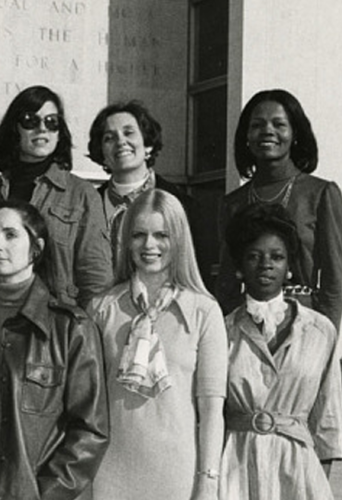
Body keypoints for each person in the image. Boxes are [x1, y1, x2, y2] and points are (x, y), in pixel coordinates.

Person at [88, 189, 226, 500]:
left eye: (161, 234)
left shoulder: (204, 312)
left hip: (180, 477)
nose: (149, 245)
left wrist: (208, 482)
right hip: (109, 475)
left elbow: (212, 410)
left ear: (178, 239)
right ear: (126, 241)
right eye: (139, 235)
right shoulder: (101, 309)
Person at [0, 199, 109, 499]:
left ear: (37, 246)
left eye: (10, 234)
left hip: (32, 491)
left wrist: (46, 493)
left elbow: (90, 430)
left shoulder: (70, 327)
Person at [220, 202, 342, 499]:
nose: (266, 264)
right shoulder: (220, 331)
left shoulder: (320, 330)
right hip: (235, 469)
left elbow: (327, 419)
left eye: (277, 257)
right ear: (239, 267)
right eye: (254, 256)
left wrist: (314, 481)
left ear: (290, 267)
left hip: (299, 473)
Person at [216, 89, 342, 329]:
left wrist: (326, 335)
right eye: (257, 125)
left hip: (304, 322)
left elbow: (333, 281)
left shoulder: (321, 194)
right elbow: (227, 281)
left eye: (279, 124)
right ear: (246, 136)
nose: (267, 131)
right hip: (247, 322)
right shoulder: (232, 203)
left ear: (295, 134)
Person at [0, 85, 112, 307]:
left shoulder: (82, 195)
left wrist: (84, 333)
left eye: (51, 122)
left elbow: (96, 278)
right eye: (30, 121)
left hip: (58, 325)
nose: (42, 129)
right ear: (15, 129)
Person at [86, 100, 191, 268]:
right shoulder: (87, 204)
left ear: (148, 145)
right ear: (102, 152)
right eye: (109, 138)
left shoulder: (183, 204)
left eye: (129, 133)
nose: (120, 142)